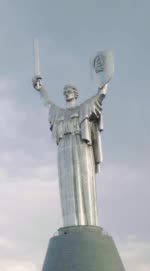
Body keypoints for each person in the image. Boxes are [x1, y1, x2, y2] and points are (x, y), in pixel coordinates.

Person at [32, 76, 108, 227]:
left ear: (75, 93)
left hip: (81, 146)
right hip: (64, 150)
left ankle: (88, 224)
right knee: (68, 186)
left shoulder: (84, 108)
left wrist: (104, 78)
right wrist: (40, 89)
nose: (67, 93)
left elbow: (101, 95)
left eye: (69, 91)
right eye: (65, 91)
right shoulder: (58, 113)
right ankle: (71, 225)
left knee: (84, 180)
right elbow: (47, 103)